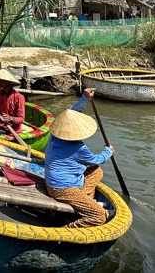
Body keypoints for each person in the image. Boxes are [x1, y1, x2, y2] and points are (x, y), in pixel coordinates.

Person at [44, 88, 114, 227]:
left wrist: (84, 98)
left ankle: (85, 201)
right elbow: (97, 159)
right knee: (99, 216)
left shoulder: (54, 136)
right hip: (63, 189)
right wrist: (108, 151)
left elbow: (71, 113)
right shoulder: (78, 148)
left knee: (96, 171)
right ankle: (66, 231)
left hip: (54, 182)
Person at [0, 69, 26, 135]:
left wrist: (11, 118)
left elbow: (21, 119)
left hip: (12, 129)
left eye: (1, 81)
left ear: (8, 82)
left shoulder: (19, 97)